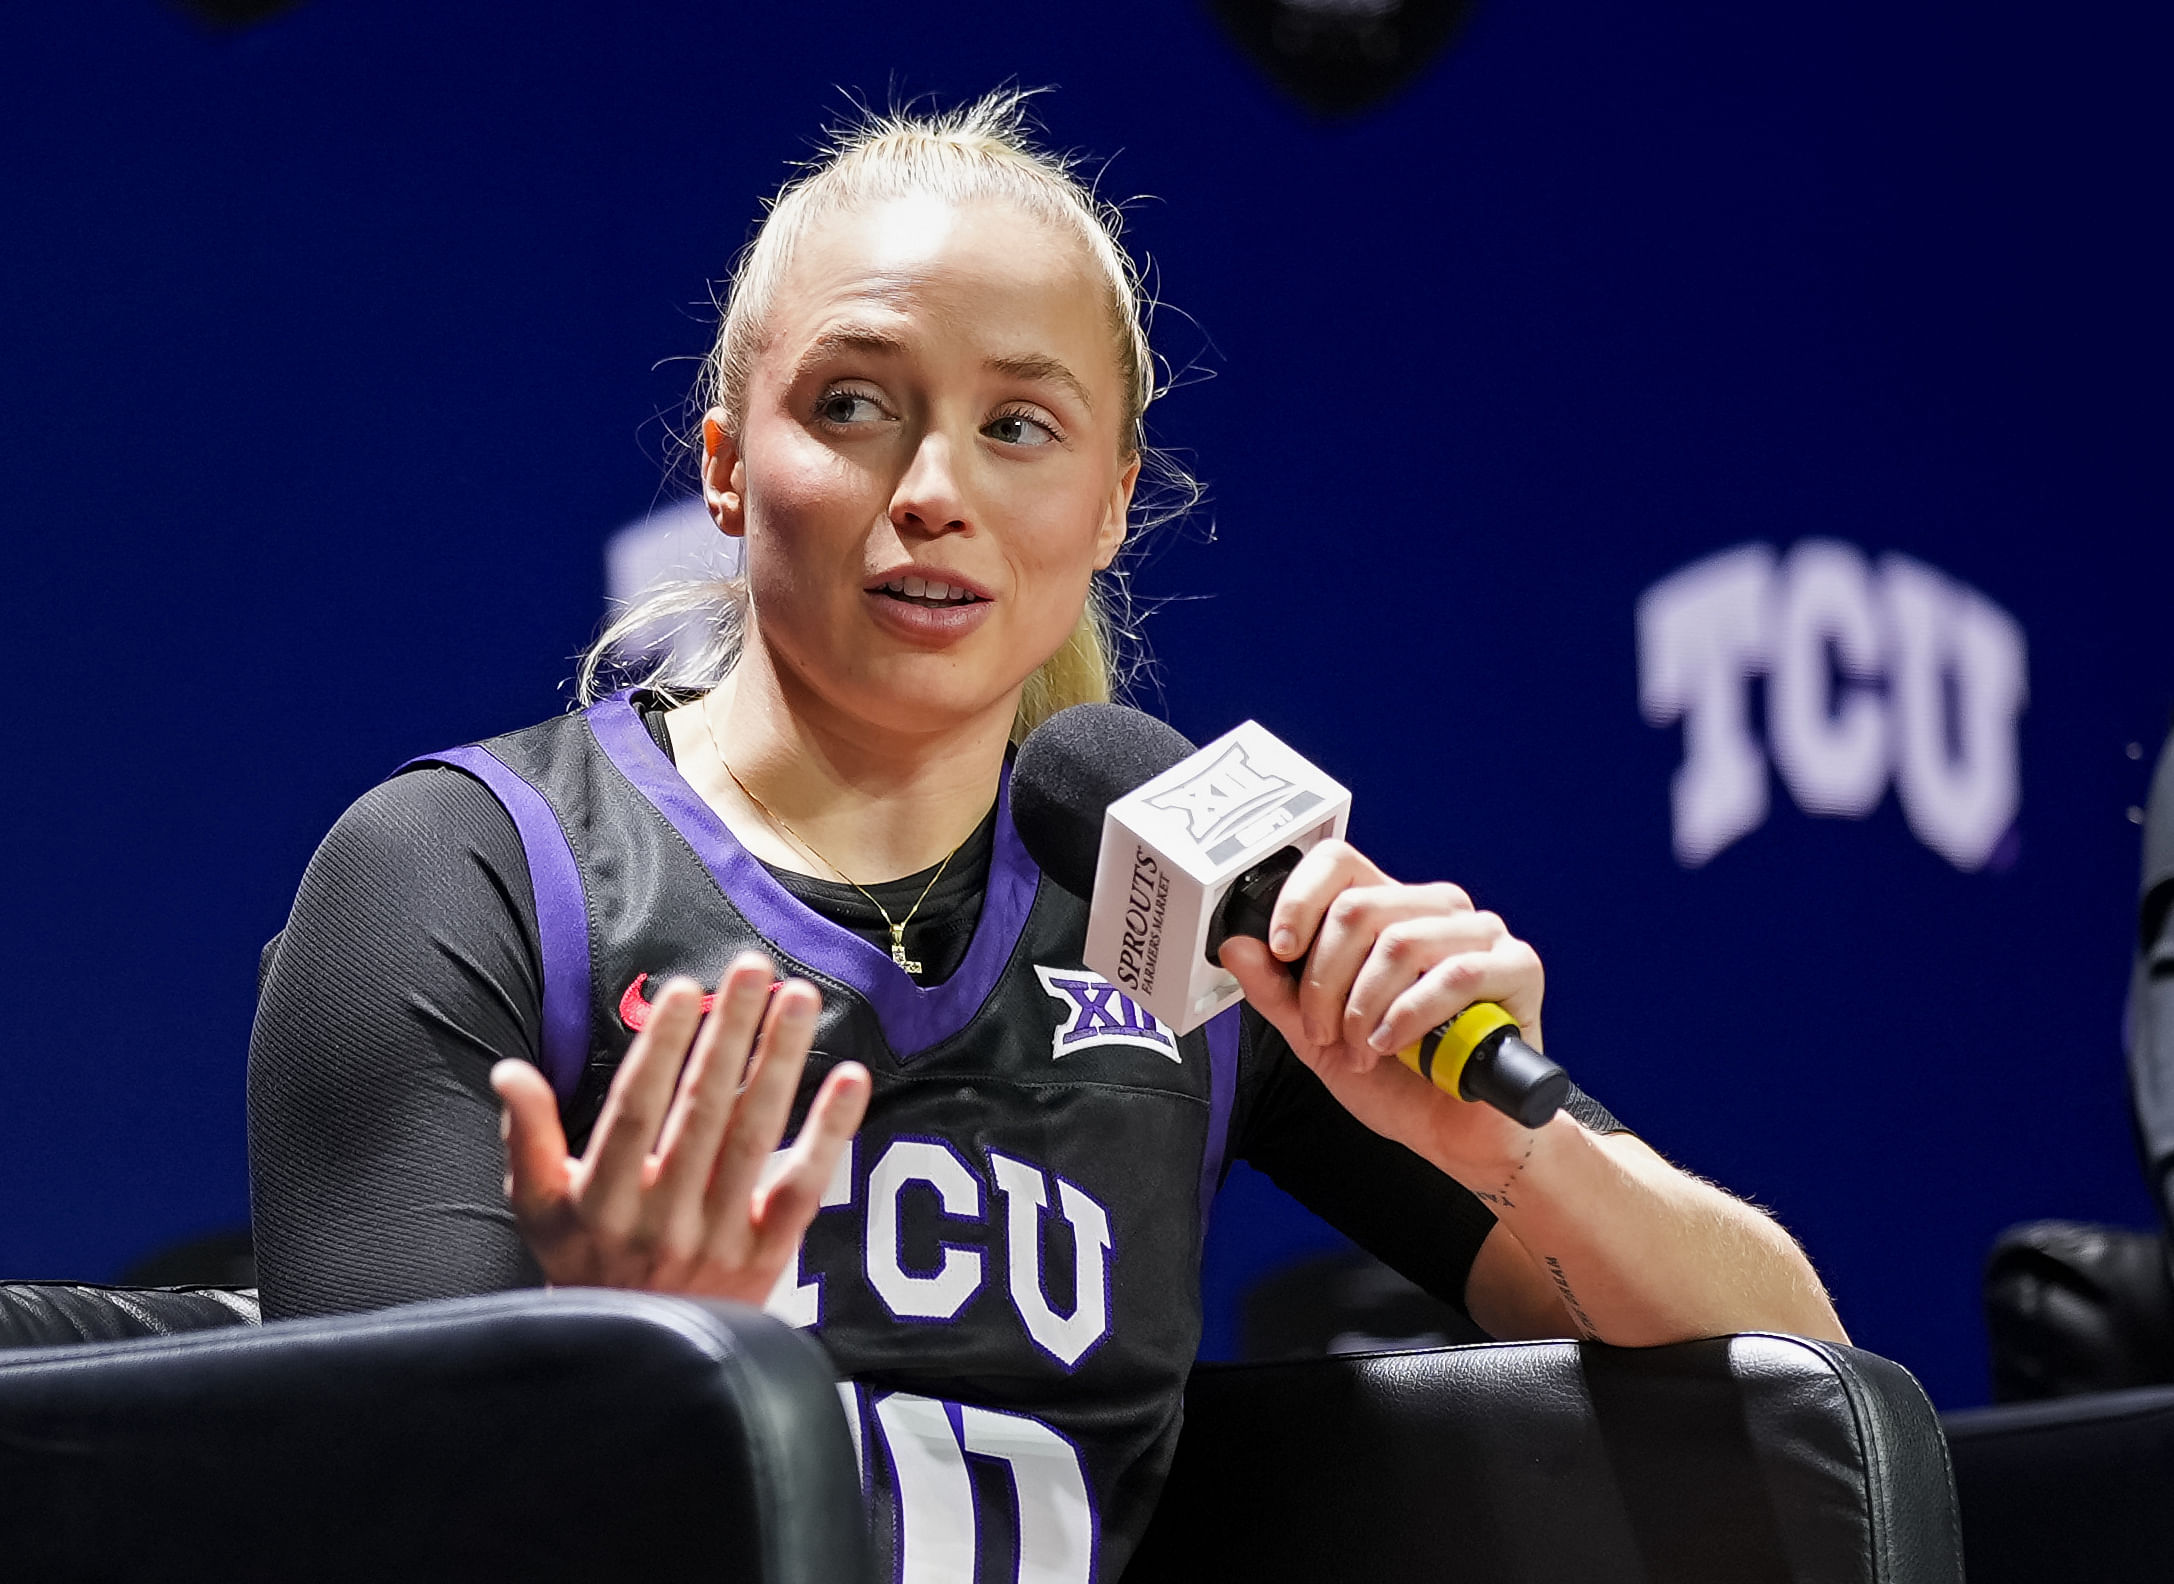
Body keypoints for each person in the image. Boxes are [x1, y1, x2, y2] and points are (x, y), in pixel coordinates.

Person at [247, 92, 1846, 1581]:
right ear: (729, 470)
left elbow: (1807, 1391)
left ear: (1111, 503)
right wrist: (624, 1361)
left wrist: (1507, 1148)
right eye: (855, 403)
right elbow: (363, 1527)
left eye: (1020, 426)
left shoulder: (1191, 926)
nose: (934, 488)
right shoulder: (465, 872)